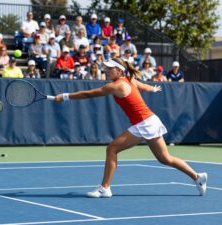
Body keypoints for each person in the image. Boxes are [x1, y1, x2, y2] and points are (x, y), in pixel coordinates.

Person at [54, 58, 207, 198]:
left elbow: (88, 94)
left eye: (109, 68)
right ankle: (198, 177)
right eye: (106, 68)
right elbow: (143, 86)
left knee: (112, 149)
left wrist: (65, 96)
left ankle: (104, 188)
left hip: (144, 123)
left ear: (119, 71)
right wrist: (152, 89)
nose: (106, 70)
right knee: (165, 158)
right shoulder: (130, 80)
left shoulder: (116, 85)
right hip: (151, 120)